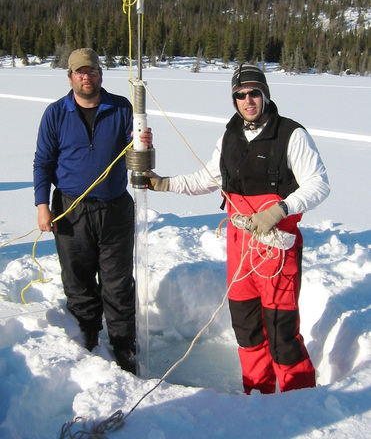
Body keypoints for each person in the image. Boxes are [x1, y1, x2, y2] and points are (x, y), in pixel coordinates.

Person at [148, 63, 330, 394]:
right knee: (246, 328)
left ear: (265, 94)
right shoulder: (230, 135)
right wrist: (164, 184)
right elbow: (206, 179)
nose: (248, 100)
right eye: (240, 95)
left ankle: (300, 403)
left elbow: (319, 184)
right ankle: (257, 396)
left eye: (254, 93)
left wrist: (280, 209)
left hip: (276, 250)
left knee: (281, 333)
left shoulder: (291, 135)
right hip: (239, 248)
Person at [33, 48, 152, 374]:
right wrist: (42, 205)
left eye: (92, 71)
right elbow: (43, 162)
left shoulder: (121, 108)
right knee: (78, 277)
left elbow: (135, 150)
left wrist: (144, 143)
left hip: (115, 210)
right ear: (70, 76)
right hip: (70, 210)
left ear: (100, 73)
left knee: (117, 282)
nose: (87, 77)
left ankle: (123, 343)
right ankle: (86, 334)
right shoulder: (56, 113)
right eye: (80, 72)